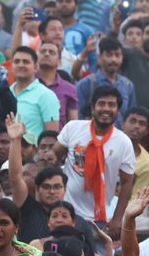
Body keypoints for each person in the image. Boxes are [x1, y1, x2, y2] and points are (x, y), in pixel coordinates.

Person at [52, 88, 136, 227]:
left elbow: (127, 183)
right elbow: (54, 157)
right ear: (93, 107)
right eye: (101, 104)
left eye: (112, 105)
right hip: (66, 212)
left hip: (99, 219)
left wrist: (117, 219)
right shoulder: (73, 128)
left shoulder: (124, 142)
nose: (106, 109)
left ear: (117, 110)